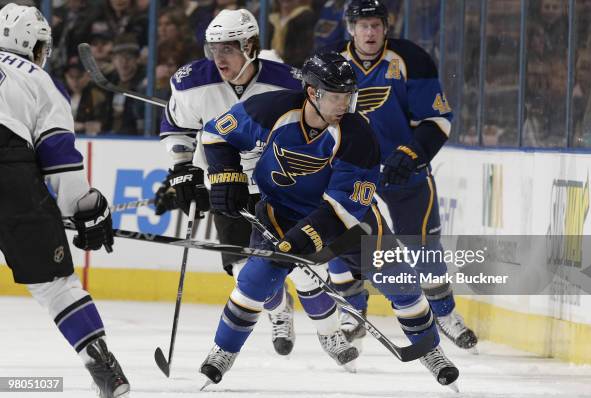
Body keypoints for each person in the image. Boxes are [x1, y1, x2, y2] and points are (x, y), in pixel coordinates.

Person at [197, 51, 459, 388]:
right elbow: (215, 136)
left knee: (400, 281)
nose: (345, 105)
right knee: (254, 281)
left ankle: (430, 350)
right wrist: (225, 176)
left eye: (349, 96)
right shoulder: (269, 110)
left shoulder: (358, 135)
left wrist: (302, 240)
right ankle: (223, 351)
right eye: (337, 96)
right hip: (280, 211)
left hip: (348, 221)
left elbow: (343, 209)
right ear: (312, 93)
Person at [155, 9, 356, 364]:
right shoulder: (190, 82)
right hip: (226, 182)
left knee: (305, 267)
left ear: (250, 46)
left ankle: (330, 333)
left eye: (228, 49)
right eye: (212, 49)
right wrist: (183, 170)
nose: (218, 58)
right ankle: (278, 312)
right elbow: (176, 126)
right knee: (242, 270)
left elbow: (317, 129)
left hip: (279, 184)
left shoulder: (289, 82)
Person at [324, 0, 478, 351]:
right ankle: (352, 310)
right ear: (350, 28)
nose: (370, 32)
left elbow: (437, 120)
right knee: (339, 238)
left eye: (376, 25)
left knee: (423, 243)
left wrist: (411, 153)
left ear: (386, 27)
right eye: (362, 25)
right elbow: (313, 115)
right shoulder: (329, 61)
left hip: (403, 169)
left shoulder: (412, 59)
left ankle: (444, 313)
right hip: (349, 171)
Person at [0, 4, 128, 398]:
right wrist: (84, 207)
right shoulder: (38, 79)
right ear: (33, 44)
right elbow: (58, 159)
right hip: (9, 172)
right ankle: (103, 366)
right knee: (55, 285)